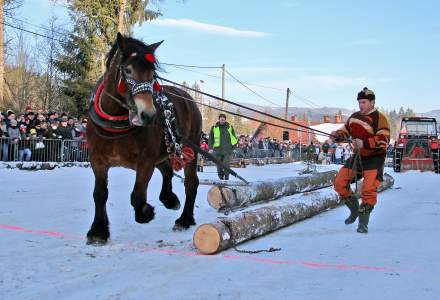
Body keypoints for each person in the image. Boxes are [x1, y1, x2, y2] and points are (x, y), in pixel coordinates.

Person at [330, 87, 390, 233]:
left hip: (375, 158)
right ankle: (355, 211)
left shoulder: (379, 118)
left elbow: (384, 139)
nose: (361, 105)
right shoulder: (354, 117)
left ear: (372, 102)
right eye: (359, 102)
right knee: (339, 183)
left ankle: (363, 223)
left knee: (368, 189)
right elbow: (345, 131)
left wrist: (365, 142)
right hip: (358, 157)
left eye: (364, 102)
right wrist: (337, 135)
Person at [208, 113, 237, 180]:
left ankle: (226, 179)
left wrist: (234, 147)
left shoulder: (230, 127)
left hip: (227, 150)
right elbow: (210, 139)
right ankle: (221, 179)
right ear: (219, 119)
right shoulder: (214, 127)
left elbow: (234, 138)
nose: (222, 121)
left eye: (223, 120)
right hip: (217, 151)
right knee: (219, 167)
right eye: (221, 120)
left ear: (225, 120)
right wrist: (210, 148)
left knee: (226, 165)